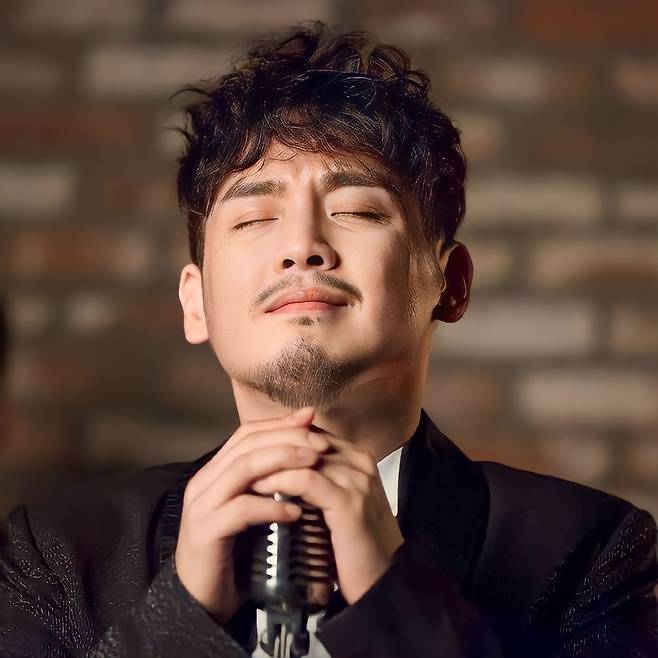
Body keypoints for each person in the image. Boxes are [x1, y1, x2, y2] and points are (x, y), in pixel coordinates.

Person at [1, 20, 656, 658]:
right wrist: (180, 618)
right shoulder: (59, 553)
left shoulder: (588, 552)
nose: (302, 247)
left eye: (357, 211)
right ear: (195, 302)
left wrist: (393, 601)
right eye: (254, 218)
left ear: (450, 284)